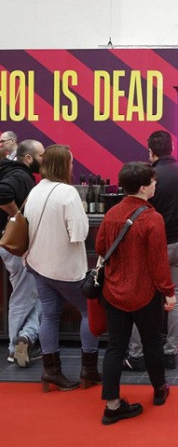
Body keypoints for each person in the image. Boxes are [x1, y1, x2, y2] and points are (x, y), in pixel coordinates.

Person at [96, 162, 176, 425]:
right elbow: (158, 262)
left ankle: (112, 404)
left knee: (115, 347)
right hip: (144, 292)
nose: (156, 185)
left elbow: (100, 247)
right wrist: (168, 291)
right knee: (152, 342)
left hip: (113, 290)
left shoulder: (112, 213)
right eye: (153, 182)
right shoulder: (152, 218)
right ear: (143, 187)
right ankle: (159, 389)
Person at [124, 131, 178, 371]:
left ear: (151, 152)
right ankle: (170, 352)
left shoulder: (149, 178)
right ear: (172, 148)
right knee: (176, 296)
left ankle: (137, 353)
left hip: (153, 247)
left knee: (143, 298)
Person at [25, 145, 99, 392]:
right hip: (65, 268)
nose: (73, 166)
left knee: (49, 315)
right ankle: (88, 369)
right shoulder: (68, 193)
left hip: (37, 263)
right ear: (63, 165)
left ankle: (51, 371)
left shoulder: (35, 190)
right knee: (88, 312)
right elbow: (79, 233)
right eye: (71, 162)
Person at [0, 139, 44, 367]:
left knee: (33, 294)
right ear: (28, 158)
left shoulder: (11, 171)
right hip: (15, 245)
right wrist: (16, 217)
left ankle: (26, 337)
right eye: (40, 155)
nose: (43, 160)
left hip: (11, 245)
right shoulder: (20, 176)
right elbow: (2, 193)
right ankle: (13, 347)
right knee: (24, 294)